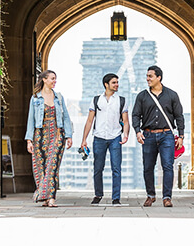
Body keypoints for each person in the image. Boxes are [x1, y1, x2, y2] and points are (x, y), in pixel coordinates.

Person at [132, 65, 184, 207]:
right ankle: (151, 195)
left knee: (168, 166)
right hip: (148, 135)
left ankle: (167, 197)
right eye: (147, 76)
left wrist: (181, 136)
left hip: (166, 135)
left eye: (150, 76)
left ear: (159, 77)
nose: (147, 79)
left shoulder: (172, 95)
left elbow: (179, 116)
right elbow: (136, 115)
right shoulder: (142, 96)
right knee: (148, 167)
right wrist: (137, 131)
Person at [25, 69, 73, 207]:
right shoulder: (35, 98)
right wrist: (29, 140)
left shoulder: (58, 97)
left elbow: (65, 117)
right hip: (40, 135)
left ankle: (51, 197)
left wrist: (68, 136)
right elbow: (31, 120)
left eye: (55, 79)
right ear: (44, 79)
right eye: (52, 78)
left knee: (52, 166)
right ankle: (44, 197)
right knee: (41, 167)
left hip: (57, 134)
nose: (54, 81)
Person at [80, 73, 129, 205]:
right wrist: (84, 139)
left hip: (115, 137)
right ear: (106, 84)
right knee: (98, 168)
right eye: (114, 82)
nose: (117, 84)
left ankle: (116, 197)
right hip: (99, 138)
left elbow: (126, 120)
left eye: (117, 82)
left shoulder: (122, 100)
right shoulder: (96, 100)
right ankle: (98, 194)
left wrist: (126, 135)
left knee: (116, 168)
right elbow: (90, 121)